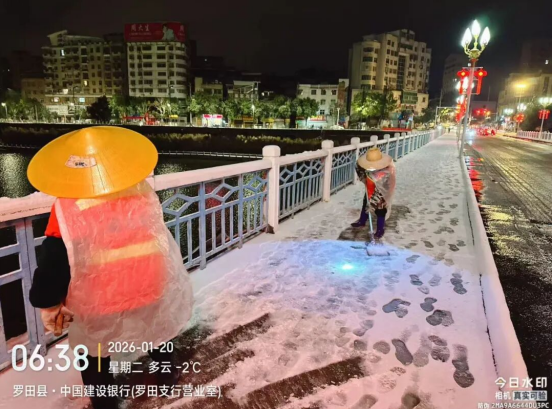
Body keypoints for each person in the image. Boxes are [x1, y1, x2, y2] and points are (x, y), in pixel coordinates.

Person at [28, 126, 193, 409]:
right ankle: (167, 377)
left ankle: (105, 403)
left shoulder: (68, 206)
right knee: (157, 332)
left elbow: (55, 256)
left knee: (94, 352)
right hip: (147, 283)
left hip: (97, 296)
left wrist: (47, 300)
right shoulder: (140, 192)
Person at [351, 147, 396, 239]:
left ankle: (380, 229)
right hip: (369, 188)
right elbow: (359, 169)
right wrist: (366, 178)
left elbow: (390, 183)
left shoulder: (387, 169)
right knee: (366, 204)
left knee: (380, 210)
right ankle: (362, 221)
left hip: (381, 192)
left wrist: (382, 194)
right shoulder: (365, 167)